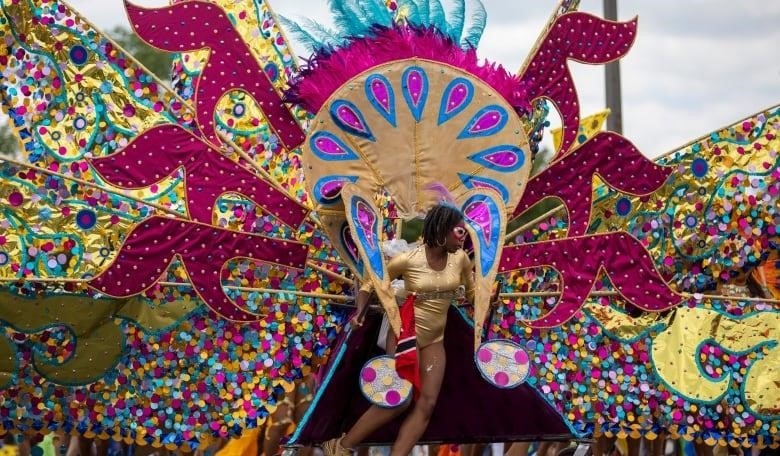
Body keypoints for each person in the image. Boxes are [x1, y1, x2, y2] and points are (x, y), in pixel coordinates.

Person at [323, 204, 476, 456]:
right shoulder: (409, 259)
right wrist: (359, 312)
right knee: (399, 399)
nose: (463, 238)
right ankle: (341, 447)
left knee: (427, 403)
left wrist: (487, 297)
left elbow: (471, 293)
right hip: (406, 334)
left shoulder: (460, 260)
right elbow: (371, 283)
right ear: (443, 230)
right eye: (460, 232)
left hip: (435, 339)